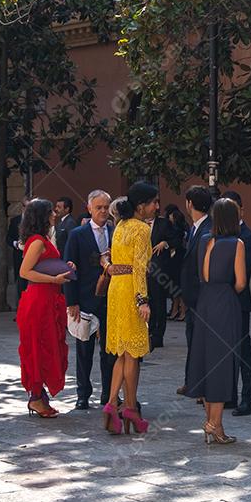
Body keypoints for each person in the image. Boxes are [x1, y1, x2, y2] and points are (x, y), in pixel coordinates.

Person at [185, 197, 247, 443]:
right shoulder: (237, 243)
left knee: (206, 358)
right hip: (224, 301)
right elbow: (241, 282)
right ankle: (215, 423)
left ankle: (211, 422)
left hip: (204, 301)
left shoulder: (203, 240)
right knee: (222, 361)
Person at [103, 182, 158, 435]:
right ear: (140, 205)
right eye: (153, 202)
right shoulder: (141, 229)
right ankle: (129, 409)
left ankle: (113, 404)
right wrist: (142, 300)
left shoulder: (120, 226)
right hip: (129, 291)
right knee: (132, 354)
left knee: (122, 353)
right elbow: (139, 268)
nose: (156, 207)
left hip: (116, 288)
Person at [16, 198, 74, 418]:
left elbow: (45, 266)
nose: (55, 215)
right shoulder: (38, 240)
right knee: (39, 347)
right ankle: (36, 398)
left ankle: (39, 397)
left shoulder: (41, 239)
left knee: (46, 346)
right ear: (42, 216)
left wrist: (64, 268)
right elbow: (25, 272)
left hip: (47, 299)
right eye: (51, 212)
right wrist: (53, 280)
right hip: (39, 300)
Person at [63, 190, 115, 410]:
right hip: (85, 299)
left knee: (110, 350)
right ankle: (83, 394)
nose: (103, 212)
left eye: (106, 207)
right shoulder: (77, 234)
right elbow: (69, 268)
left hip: (112, 299)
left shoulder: (116, 231)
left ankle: (109, 394)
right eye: (99, 208)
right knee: (84, 348)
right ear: (90, 209)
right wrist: (71, 301)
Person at [222, 190, 251, 417]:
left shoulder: (248, 237)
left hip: (238, 300)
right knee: (226, 350)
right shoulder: (220, 234)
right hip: (222, 301)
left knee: (242, 349)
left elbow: (241, 273)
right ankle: (229, 395)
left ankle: (249, 398)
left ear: (241, 210)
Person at [176, 186, 213, 396]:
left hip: (201, 297)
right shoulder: (195, 228)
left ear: (190, 203)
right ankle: (192, 381)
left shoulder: (208, 229)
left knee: (201, 343)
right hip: (191, 297)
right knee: (192, 340)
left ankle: (202, 385)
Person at [147, 198, 182, 349]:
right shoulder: (136, 224)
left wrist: (165, 243)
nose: (156, 207)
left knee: (158, 303)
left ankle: (157, 335)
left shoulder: (164, 223)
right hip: (141, 271)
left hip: (158, 271)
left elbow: (177, 239)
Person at [164, 205, 189, 321]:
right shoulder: (185, 228)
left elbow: (175, 243)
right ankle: (177, 310)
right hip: (180, 260)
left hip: (176, 261)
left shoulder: (176, 231)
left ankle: (179, 311)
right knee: (177, 286)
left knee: (177, 287)